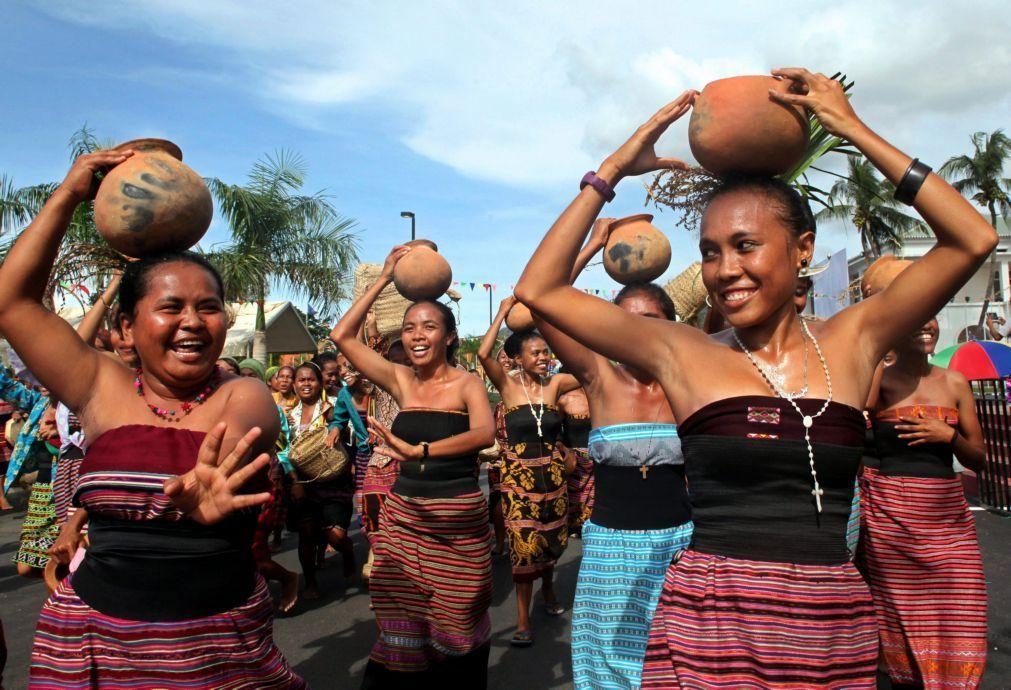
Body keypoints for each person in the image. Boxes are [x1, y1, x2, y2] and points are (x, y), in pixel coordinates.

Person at [515, 70, 996, 688]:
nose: (725, 269)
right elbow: (540, 290)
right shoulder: (683, 352)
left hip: (829, 624)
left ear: (802, 249)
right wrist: (609, 169)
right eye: (711, 251)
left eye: (745, 245)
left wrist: (851, 126)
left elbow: (972, 236)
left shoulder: (855, 340)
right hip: (709, 624)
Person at [0, 150, 304, 687]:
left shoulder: (245, 393)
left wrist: (202, 499)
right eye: (171, 307)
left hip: (214, 643)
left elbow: (236, 447)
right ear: (127, 325)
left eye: (208, 307)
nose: (192, 321)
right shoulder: (96, 384)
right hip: (92, 636)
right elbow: (12, 303)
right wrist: (69, 194)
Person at [331, 247, 495, 686]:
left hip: (459, 526)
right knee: (399, 632)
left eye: (428, 326)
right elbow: (342, 336)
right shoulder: (401, 379)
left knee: (457, 632)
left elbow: (484, 435)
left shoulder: (468, 383)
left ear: (449, 336)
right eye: (409, 327)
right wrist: (383, 279)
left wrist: (419, 451)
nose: (417, 335)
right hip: (404, 521)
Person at [862, 314, 987, 687]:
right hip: (891, 518)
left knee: (965, 603)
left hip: (947, 516)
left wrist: (947, 437)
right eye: (913, 318)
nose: (925, 326)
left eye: (929, 318)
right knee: (903, 616)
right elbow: (859, 415)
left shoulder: (955, 382)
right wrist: (879, 347)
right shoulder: (880, 381)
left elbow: (977, 458)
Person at [477, 302, 580, 647]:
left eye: (546, 352)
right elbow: (482, 352)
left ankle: (548, 590)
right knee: (523, 546)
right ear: (518, 358)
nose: (543, 357)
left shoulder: (557, 384)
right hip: (518, 482)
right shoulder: (507, 386)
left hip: (553, 480)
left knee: (551, 542)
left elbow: (585, 365)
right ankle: (523, 621)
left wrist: (549, 321)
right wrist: (502, 310)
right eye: (535, 352)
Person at [279, 361, 361, 600]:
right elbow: (283, 450)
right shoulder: (287, 416)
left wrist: (337, 427)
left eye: (311, 379)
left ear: (320, 382)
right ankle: (311, 584)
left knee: (335, 536)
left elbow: (351, 431)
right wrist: (293, 481)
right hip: (301, 483)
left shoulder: (332, 407)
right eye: (301, 380)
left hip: (334, 479)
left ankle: (347, 553)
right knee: (306, 534)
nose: (306, 384)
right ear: (294, 385)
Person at [558, 383, 592, 536]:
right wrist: (565, 450)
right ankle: (572, 526)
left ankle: (587, 527)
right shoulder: (565, 399)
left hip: (597, 457)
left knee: (593, 499)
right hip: (575, 460)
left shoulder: (597, 394)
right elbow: (554, 429)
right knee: (574, 497)